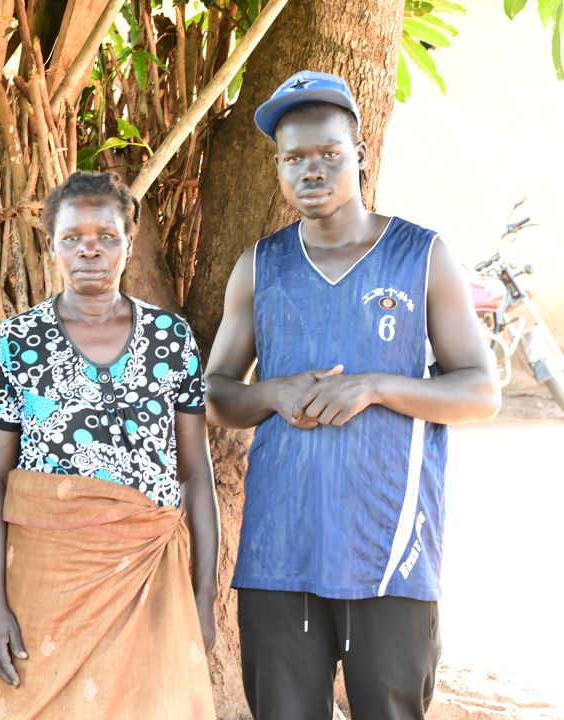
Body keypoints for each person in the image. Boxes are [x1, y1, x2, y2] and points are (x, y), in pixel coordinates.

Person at [203, 71, 501, 719]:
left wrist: (376, 387)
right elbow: (219, 394)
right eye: (293, 159)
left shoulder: (421, 257)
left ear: (359, 154)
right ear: (278, 169)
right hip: (280, 553)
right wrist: (275, 393)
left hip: (391, 553)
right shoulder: (261, 266)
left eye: (329, 154)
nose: (312, 171)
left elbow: (482, 391)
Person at [0, 171, 219, 719]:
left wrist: (202, 598)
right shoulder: (17, 343)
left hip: (150, 577)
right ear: (51, 246)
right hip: (46, 583)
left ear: (129, 243)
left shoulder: (171, 340)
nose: (90, 249)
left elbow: (195, 475)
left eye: (107, 236)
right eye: (72, 238)